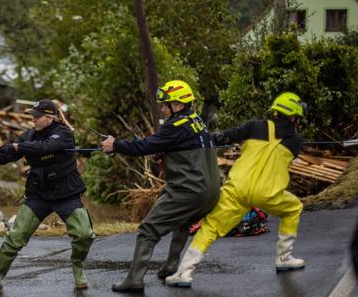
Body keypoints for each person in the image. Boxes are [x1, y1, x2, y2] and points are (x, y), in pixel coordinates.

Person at [166, 92, 307, 288]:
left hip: (237, 188)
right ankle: (283, 258)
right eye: (297, 118)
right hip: (269, 193)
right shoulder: (296, 142)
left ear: (275, 111)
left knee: (211, 227)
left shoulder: (255, 126)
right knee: (293, 208)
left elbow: (225, 137)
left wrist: (195, 140)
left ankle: (184, 273)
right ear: (292, 116)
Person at [101, 80, 221, 293]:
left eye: (166, 104)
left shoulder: (175, 126)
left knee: (148, 230)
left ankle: (134, 280)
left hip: (189, 190)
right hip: (210, 192)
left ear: (179, 105)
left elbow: (146, 146)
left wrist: (115, 145)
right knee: (182, 222)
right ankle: (171, 266)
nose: (163, 108)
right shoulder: (197, 121)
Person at [0, 99, 95, 297]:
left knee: (84, 234)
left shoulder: (64, 133)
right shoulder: (28, 135)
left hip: (66, 194)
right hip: (39, 194)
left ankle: (77, 266)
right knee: (14, 239)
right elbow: (4, 157)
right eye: (32, 115)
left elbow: (45, 147)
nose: (33, 119)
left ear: (49, 117)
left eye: (37, 116)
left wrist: (18, 147)